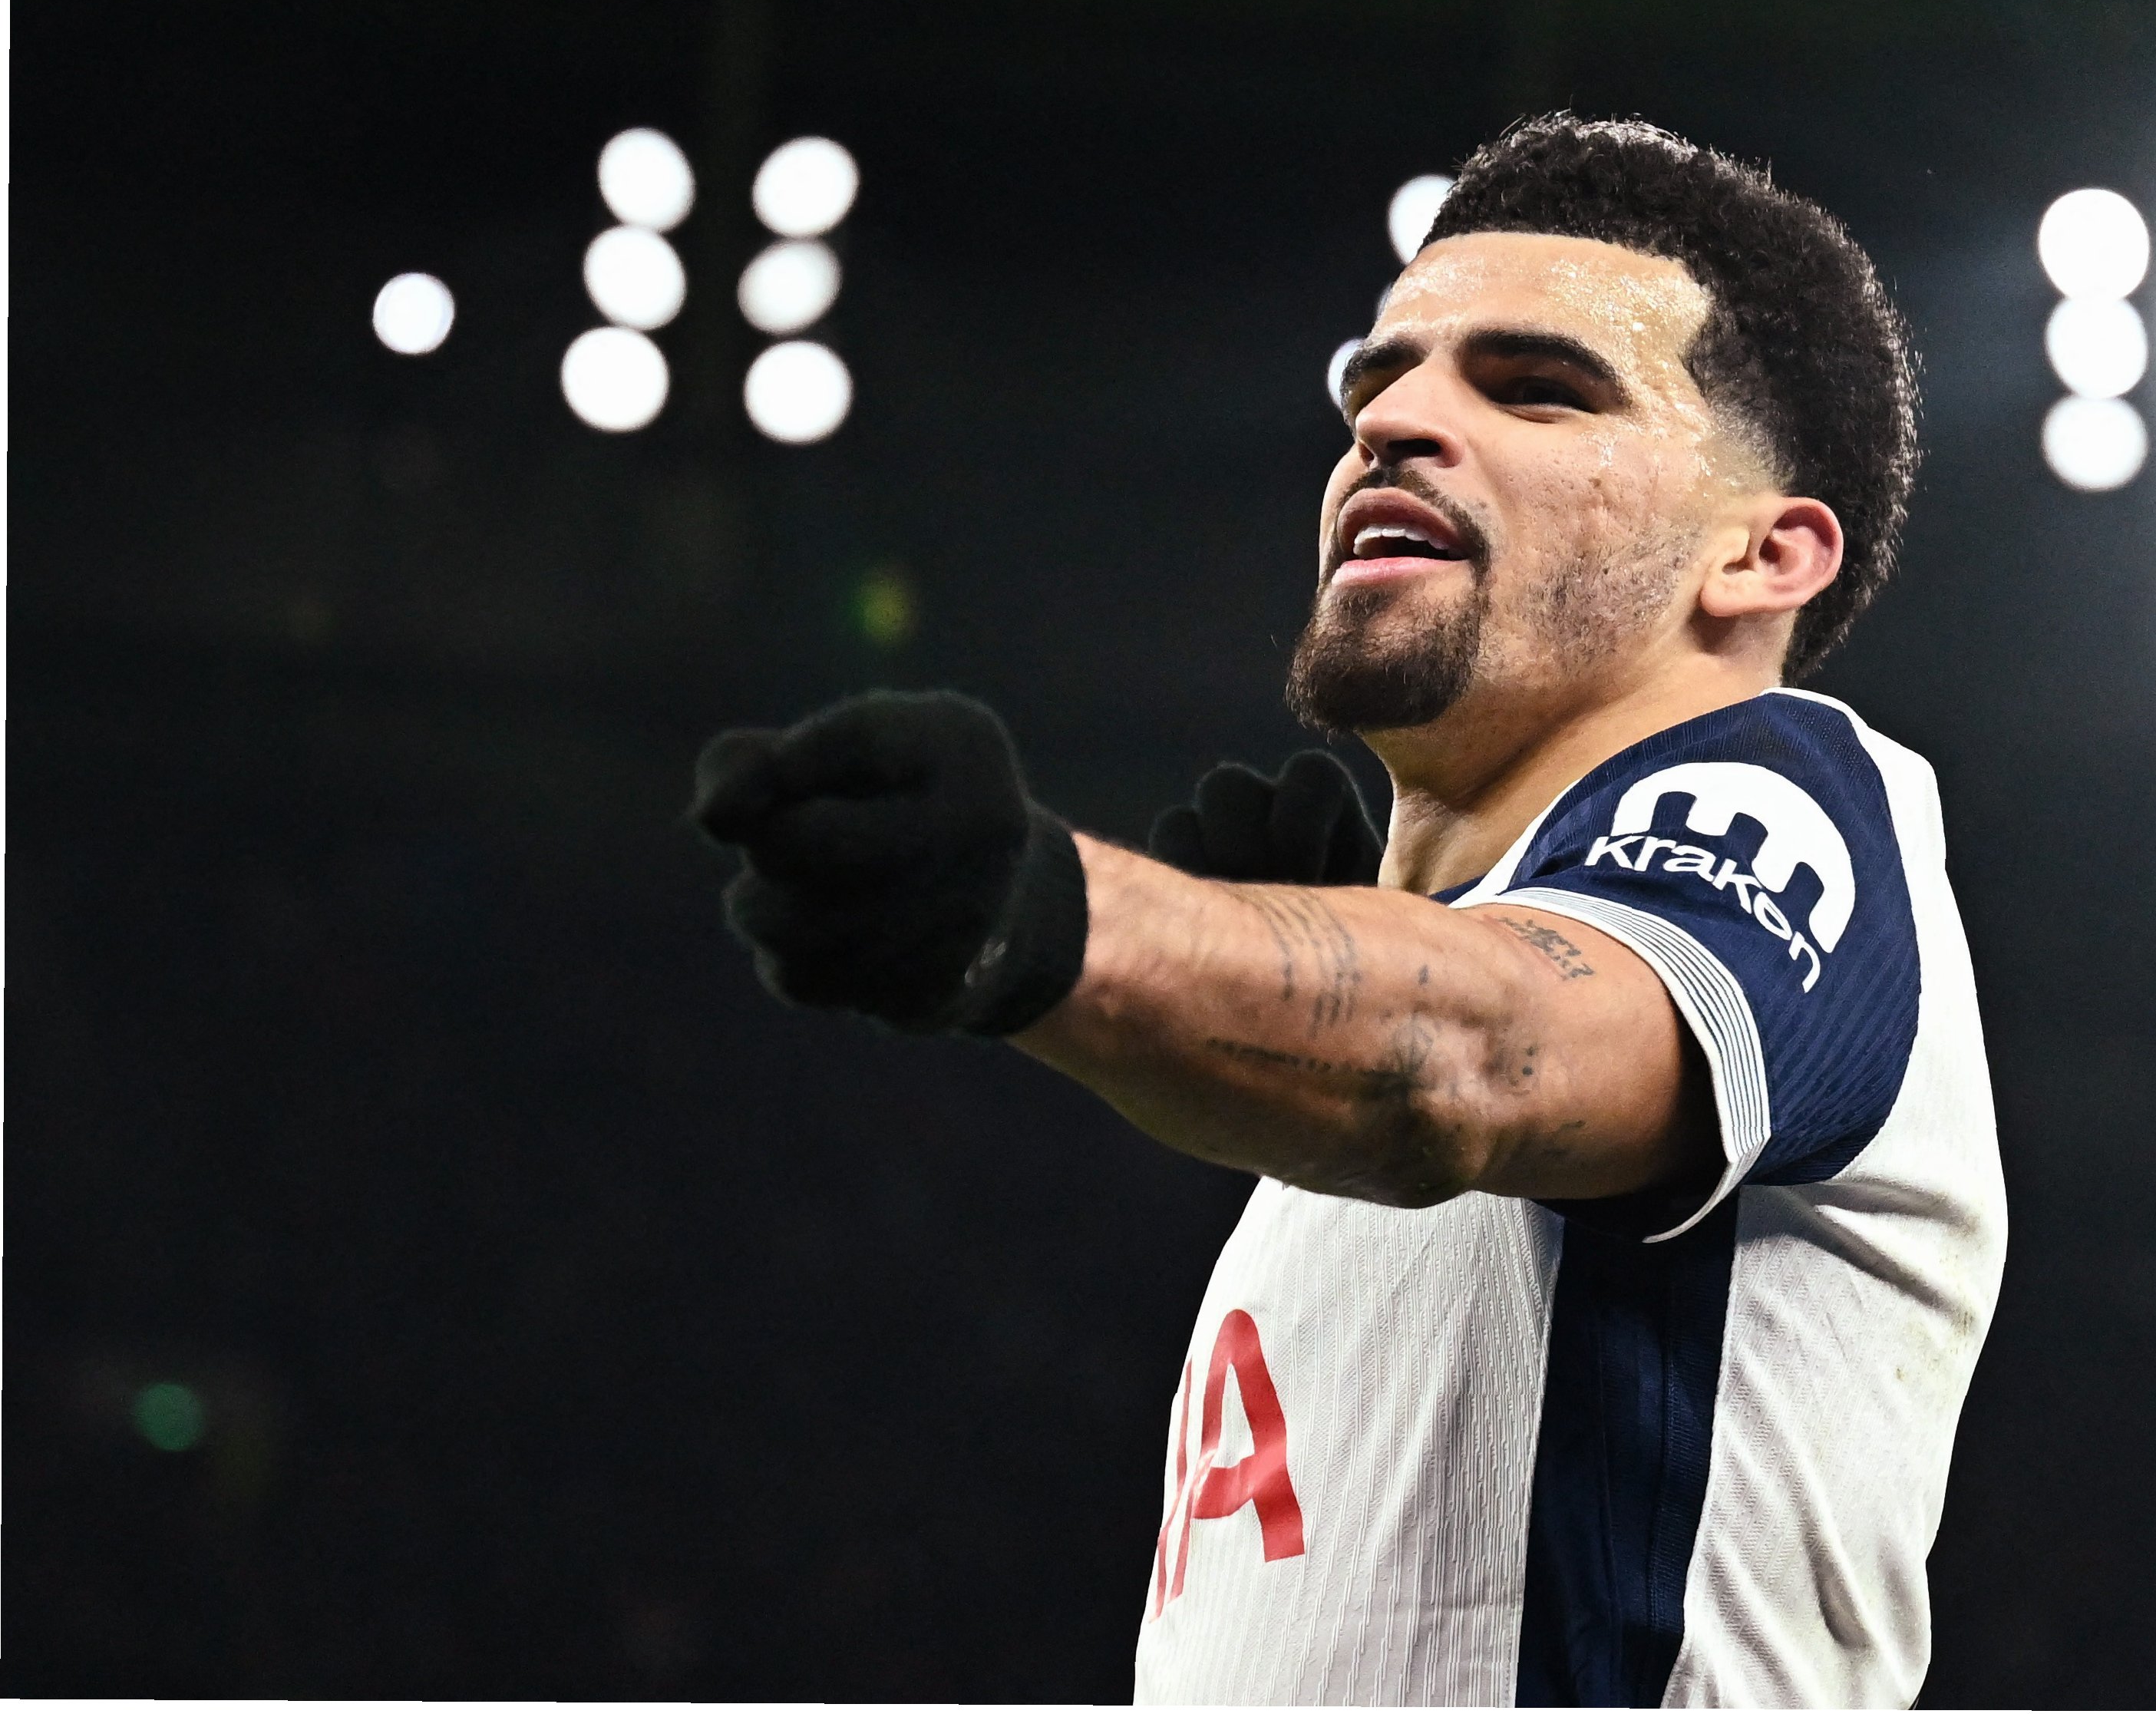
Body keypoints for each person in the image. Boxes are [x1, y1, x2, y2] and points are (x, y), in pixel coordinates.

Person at [691, 114, 2006, 1709]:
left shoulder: (1791, 797)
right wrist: (1335, 945)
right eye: (1378, 382)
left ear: (1761, 553)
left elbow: (1477, 1054)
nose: (1394, 421)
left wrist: (1042, 913)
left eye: (1536, 387)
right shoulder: (1363, 1104)